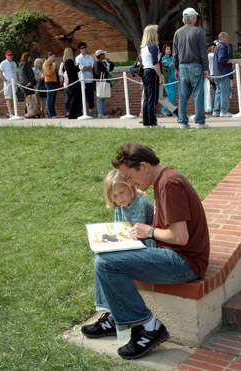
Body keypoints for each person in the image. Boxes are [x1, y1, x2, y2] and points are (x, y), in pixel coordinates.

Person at [81, 142, 210, 361]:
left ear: (144, 166)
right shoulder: (163, 181)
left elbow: (180, 237)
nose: (131, 183)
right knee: (102, 254)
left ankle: (149, 327)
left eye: (130, 177)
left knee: (105, 263)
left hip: (184, 262)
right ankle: (116, 316)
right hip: (172, 254)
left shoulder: (169, 184)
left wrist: (147, 231)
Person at [173, 7, 209, 129]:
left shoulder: (177, 33)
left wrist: (177, 68)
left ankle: (183, 122)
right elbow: (203, 52)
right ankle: (199, 122)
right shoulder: (199, 32)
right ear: (194, 18)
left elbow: (175, 53)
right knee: (198, 95)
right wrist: (206, 68)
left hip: (182, 66)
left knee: (182, 96)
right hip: (196, 65)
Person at [103, 169, 154, 247]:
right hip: (129, 235)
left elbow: (137, 231)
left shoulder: (140, 203)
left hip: (147, 239)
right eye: (115, 195)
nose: (119, 198)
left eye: (122, 192)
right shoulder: (120, 203)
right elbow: (118, 224)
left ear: (130, 186)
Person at [141, 24, 165, 128]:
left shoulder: (144, 47)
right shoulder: (153, 46)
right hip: (152, 72)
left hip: (145, 72)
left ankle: (146, 122)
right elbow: (155, 62)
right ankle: (153, 122)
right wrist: (160, 75)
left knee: (147, 98)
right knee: (152, 98)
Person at [212, 32, 235, 118]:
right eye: (227, 38)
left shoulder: (217, 47)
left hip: (217, 74)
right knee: (224, 92)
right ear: (222, 38)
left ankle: (216, 111)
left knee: (218, 92)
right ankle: (224, 111)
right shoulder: (222, 47)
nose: (228, 40)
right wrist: (230, 61)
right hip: (224, 73)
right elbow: (221, 59)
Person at [75, 42, 95, 117]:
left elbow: (92, 67)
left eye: (85, 47)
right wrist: (87, 67)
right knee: (83, 96)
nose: (84, 49)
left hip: (90, 79)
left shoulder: (90, 57)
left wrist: (86, 68)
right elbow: (80, 68)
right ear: (79, 49)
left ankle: (91, 111)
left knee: (91, 96)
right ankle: (83, 111)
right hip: (82, 80)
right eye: (82, 48)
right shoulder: (78, 58)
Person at [93, 50, 114, 118]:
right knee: (100, 97)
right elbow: (97, 72)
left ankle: (101, 113)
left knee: (103, 96)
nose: (104, 55)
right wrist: (105, 73)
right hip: (100, 82)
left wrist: (109, 62)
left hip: (105, 81)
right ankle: (100, 114)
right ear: (100, 55)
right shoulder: (97, 63)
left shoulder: (104, 63)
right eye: (103, 54)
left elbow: (110, 69)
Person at [0, 50, 18, 118]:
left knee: (13, 97)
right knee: (8, 97)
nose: (10, 56)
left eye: (11, 55)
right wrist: (5, 81)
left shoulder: (14, 63)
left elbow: (16, 72)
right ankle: (10, 111)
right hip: (8, 82)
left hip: (14, 82)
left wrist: (17, 81)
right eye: (9, 55)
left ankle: (13, 110)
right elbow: (0, 73)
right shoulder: (3, 63)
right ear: (6, 56)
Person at [160, 44, 178, 117]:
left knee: (174, 95)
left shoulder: (172, 58)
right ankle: (164, 109)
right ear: (164, 50)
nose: (169, 50)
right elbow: (165, 68)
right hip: (167, 79)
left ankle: (170, 111)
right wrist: (171, 65)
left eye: (170, 49)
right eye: (167, 49)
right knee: (171, 94)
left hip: (173, 78)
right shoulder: (163, 59)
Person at [19, 52, 36, 116]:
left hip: (30, 83)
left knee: (31, 98)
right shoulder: (23, 64)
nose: (30, 58)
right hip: (26, 84)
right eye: (29, 57)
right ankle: (27, 112)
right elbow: (23, 74)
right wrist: (27, 82)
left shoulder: (27, 64)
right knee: (28, 98)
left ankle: (31, 112)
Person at [43, 51, 58, 118]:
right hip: (49, 82)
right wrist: (53, 67)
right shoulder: (46, 64)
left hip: (54, 81)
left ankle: (53, 114)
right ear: (49, 56)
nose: (54, 58)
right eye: (53, 57)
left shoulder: (52, 63)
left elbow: (55, 71)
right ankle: (50, 114)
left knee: (53, 99)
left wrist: (54, 66)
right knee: (50, 99)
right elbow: (48, 73)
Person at [59, 48, 73, 117]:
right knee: (67, 98)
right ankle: (68, 111)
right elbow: (60, 73)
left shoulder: (74, 62)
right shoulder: (63, 63)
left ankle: (72, 110)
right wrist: (65, 74)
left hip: (72, 82)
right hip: (66, 82)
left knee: (71, 97)